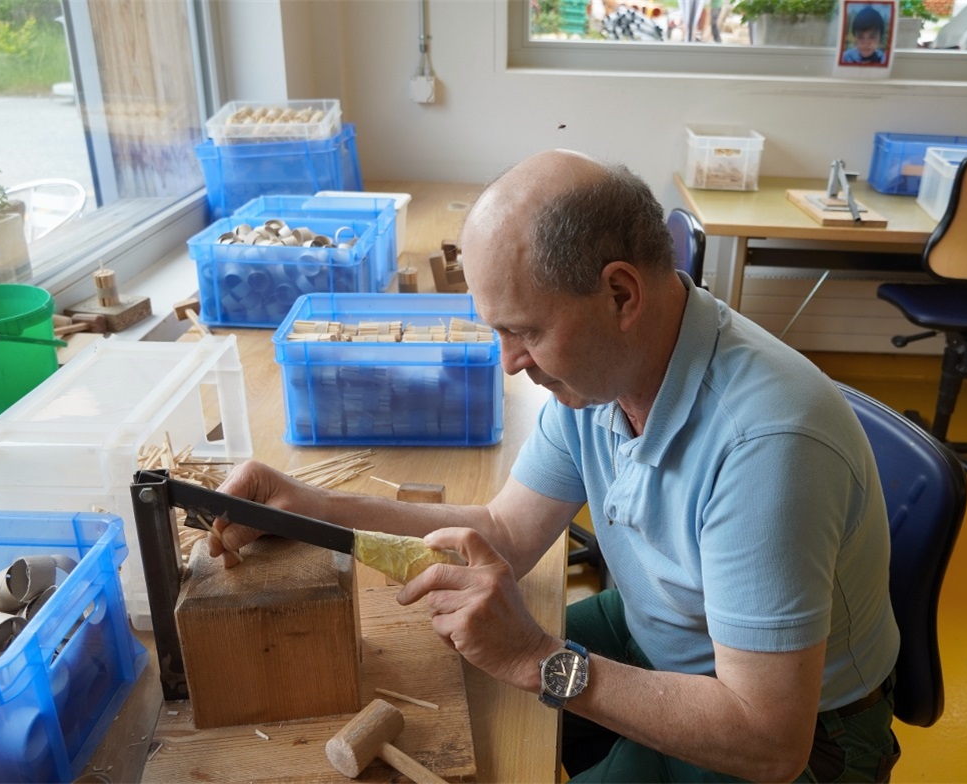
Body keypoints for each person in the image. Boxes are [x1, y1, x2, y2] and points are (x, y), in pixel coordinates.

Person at [209, 149, 901, 783]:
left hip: (802, 733)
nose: (509, 361)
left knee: (508, 686)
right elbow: (502, 531)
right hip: (667, 628)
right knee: (455, 686)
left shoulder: (765, 446)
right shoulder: (600, 374)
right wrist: (309, 508)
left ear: (621, 295)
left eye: (525, 331)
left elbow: (771, 741)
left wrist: (537, 659)